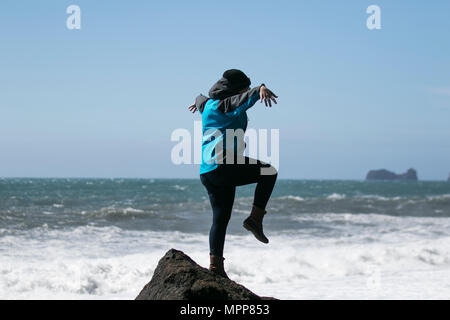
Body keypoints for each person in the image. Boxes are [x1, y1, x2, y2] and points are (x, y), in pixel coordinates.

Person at [188, 69, 278, 278]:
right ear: (236, 90)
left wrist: (196, 102)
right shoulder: (225, 104)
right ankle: (255, 219)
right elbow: (243, 98)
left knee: (220, 219)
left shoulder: (208, 104)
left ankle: (216, 267)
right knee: (269, 172)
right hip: (224, 164)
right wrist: (259, 89)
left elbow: (199, 97)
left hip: (208, 171)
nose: (244, 93)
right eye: (243, 88)